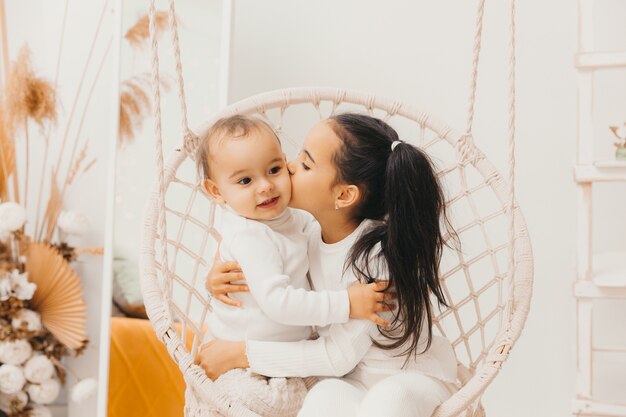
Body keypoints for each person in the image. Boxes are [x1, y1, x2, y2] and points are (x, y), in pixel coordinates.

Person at [198, 113, 459, 417]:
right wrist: (216, 276)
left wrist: (242, 354)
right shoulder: (307, 233)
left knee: (387, 401)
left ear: (344, 195)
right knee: (321, 400)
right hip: (348, 380)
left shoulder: (376, 261)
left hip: (410, 378)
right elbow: (258, 249)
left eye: (306, 164)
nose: (288, 168)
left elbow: (337, 356)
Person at [196, 115, 393, 345]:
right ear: (216, 191)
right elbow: (278, 302)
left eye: (274, 169)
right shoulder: (249, 234)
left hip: (282, 349)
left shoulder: (292, 218)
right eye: (245, 181)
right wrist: (347, 303)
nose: (266, 186)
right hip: (240, 348)